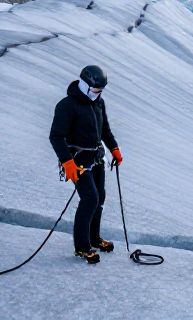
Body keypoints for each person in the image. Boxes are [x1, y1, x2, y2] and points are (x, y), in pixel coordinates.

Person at [49, 65, 124, 264]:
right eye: (95, 90)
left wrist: (114, 148)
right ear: (84, 84)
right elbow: (56, 136)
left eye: (100, 91)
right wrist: (67, 163)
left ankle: (93, 239)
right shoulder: (67, 106)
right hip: (77, 161)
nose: (97, 94)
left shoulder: (99, 103)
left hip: (96, 157)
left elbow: (104, 129)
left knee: (100, 197)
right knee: (89, 198)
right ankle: (82, 247)